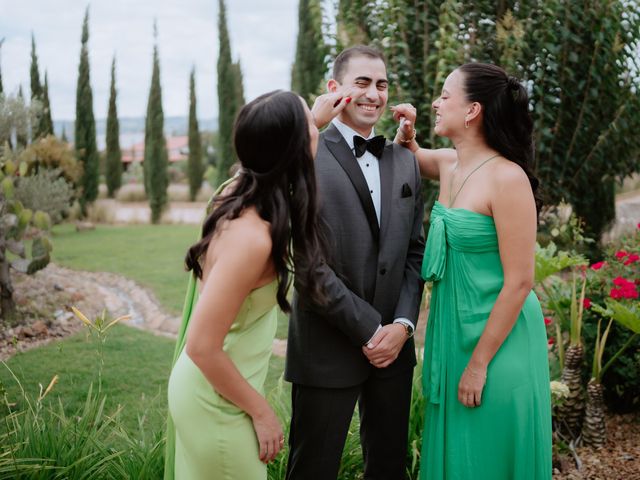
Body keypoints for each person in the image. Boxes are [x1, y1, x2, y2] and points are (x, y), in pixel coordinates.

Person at [164, 89, 353, 480]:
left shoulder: (238, 192)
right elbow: (202, 346)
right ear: (297, 148)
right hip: (218, 404)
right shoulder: (251, 240)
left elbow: (267, 156)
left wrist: (309, 125)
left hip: (217, 394)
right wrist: (262, 412)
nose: (315, 123)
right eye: (308, 121)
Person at [392, 62, 552, 479]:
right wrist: (408, 134)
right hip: (453, 334)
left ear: (472, 111)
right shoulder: (451, 164)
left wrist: (480, 363)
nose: (435, 102)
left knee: (489, 458)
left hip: (497, 344)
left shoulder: (507, 178)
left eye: (446, 95)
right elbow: (412, 156)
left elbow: (520, 282)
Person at [285, 45, 426, 480]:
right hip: (327, 346)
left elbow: (414, 252)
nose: (373, 94)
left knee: (387, 469)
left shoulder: (406, 159)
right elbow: (308, 263)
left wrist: (402, 326)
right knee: (313, 470)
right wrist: (369, 329)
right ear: (335, 89)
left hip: (395, 352)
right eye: (361, 82)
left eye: (381, 85)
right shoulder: (305, 156)